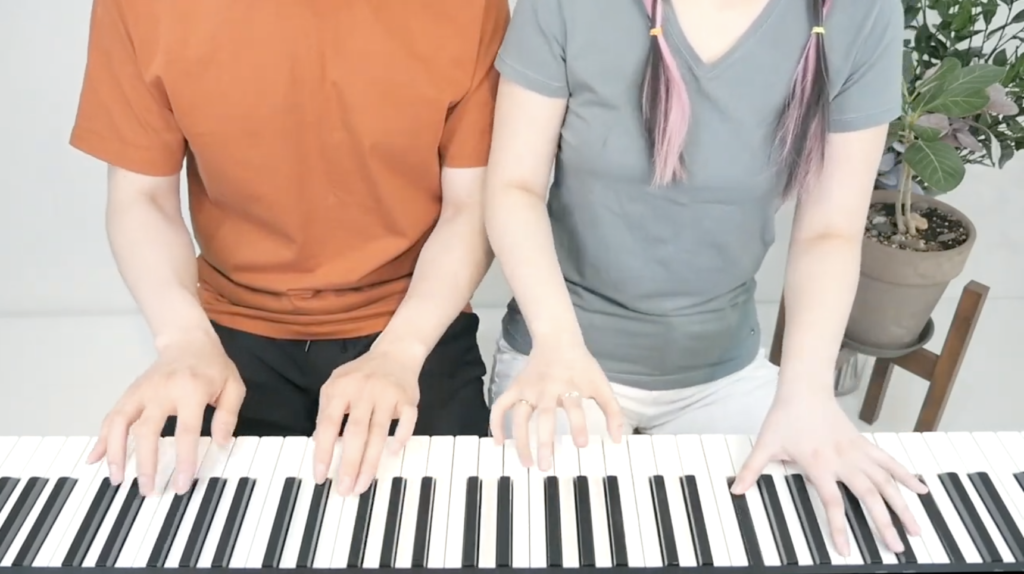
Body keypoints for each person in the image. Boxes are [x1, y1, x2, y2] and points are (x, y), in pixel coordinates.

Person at [484, 0, 926, 558]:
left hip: (723, 370)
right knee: (563, 546)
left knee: (825, 540)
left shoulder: (860, 13)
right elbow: (513, 186)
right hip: (564, 351)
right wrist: (558, 344)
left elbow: (830, 233)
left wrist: (807, 392)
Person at [70, 0, 508, 499]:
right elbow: (142, 197)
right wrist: (181, 340)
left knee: (446, 536)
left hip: (415, 324)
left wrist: (401, 352)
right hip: (225, 334)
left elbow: (470, 207)